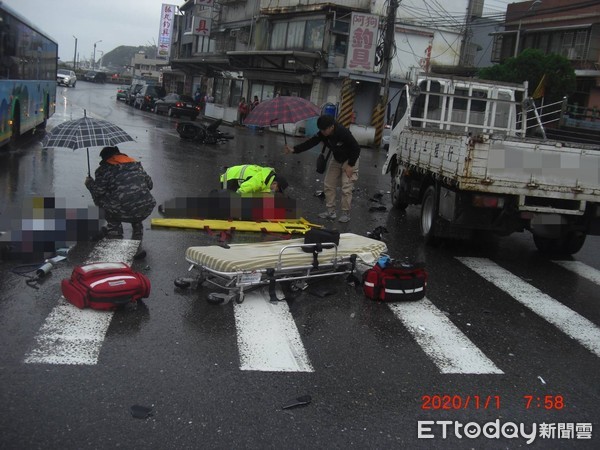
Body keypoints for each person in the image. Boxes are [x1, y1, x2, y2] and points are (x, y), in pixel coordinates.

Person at [284, 114, 360, 223]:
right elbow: (311, 143)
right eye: (321, 130)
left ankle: (345, 213)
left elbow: (356, 148)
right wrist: (294, 149)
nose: (323, 132)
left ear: (331, 127)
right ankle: (331, 212)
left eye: (324, 130)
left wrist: (350, 165)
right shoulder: (323, 133)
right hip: (337, 158)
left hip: (350, 159)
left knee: (346, 187)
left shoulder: (343, 132)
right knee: (328, 184)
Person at [85, 146, 156, 239]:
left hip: (124, 211)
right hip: (145, 209)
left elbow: (98, 192)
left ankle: (114, 229)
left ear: (106, 158)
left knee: (100, 198)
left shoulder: (103, 170)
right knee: (136, 196)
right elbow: (150, 185)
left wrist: (89, 183)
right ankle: (138, 229)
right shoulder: (136, 165)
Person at [220, 164, 288, 194]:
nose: (276, 192)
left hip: (237, 177)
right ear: (274, 183)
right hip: (230, 178)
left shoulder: (267, 178)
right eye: (277, 190)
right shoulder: (259, 181)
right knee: (226, 200)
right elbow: (243, 190)